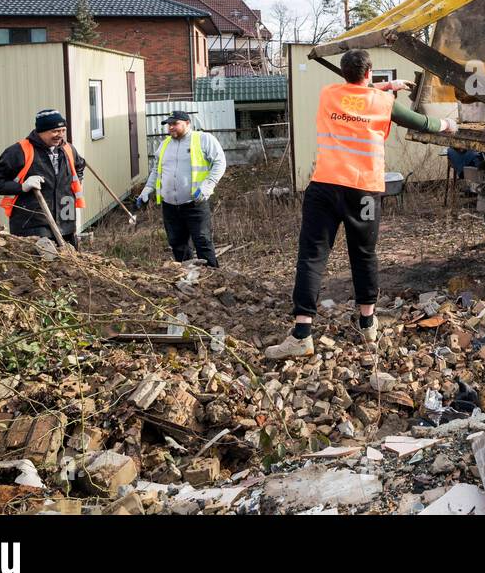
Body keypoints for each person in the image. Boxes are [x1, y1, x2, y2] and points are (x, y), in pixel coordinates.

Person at [266, 50, 458, 359]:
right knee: (364, 253)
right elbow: (421, 122)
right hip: (364, 193)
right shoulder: (382, 104)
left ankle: (302, 333)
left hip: (324, 189)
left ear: (344, 73)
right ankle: (368, 325)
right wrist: (448, 126)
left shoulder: (328, 94)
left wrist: (385, 86)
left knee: (312, 257)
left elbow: (356, 95)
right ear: (369, 73)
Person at [0, 109, 87, 248]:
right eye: (55, 131)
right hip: (32, 228)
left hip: (66, 224)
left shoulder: (67, 149)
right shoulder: (19, 151)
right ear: (41, 131)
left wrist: (77, 183)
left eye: (63, 130)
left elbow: (79, 166)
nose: (60, 135)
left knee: (69, 266)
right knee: (42, 266)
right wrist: (22, 187)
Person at [137, 111, 227, 266]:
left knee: (202, 241)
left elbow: (220, 163)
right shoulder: (164, 145)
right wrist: (146, 190)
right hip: (170, 207)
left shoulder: (203, 139)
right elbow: (156, 170)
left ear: (187, 123)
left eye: (175, 124)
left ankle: (213, 278)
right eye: (169, 125)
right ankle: (188, 275)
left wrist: (207, 187)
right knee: (177, 243)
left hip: (194, 204)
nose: (171, 127)